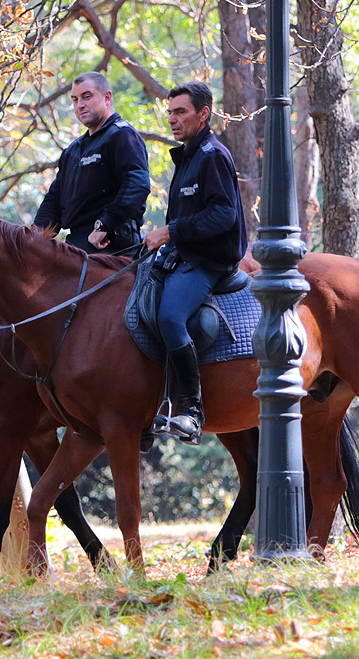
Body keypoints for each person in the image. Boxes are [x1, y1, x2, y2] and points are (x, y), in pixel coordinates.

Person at [144, 82, 248, 445]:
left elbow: (223, 215)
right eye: (170, 112)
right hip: (182, 257)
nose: (172, 119)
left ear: (203, 114)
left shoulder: (213, 155)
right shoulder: (188, 155)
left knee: (170, 318)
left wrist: (170, 232)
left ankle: (190, 410)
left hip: (208, 263)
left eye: (180, 112)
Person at [33, 71, 151, 256]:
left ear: (107, 97)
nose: (80, 105)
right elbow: (54, 199)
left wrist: (105, 225)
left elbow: (137, 185)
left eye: (87, 97)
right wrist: (33, 238)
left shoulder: (122, 135)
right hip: (76, 243)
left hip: (111, 243)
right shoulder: (73, 150)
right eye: (75, 100)